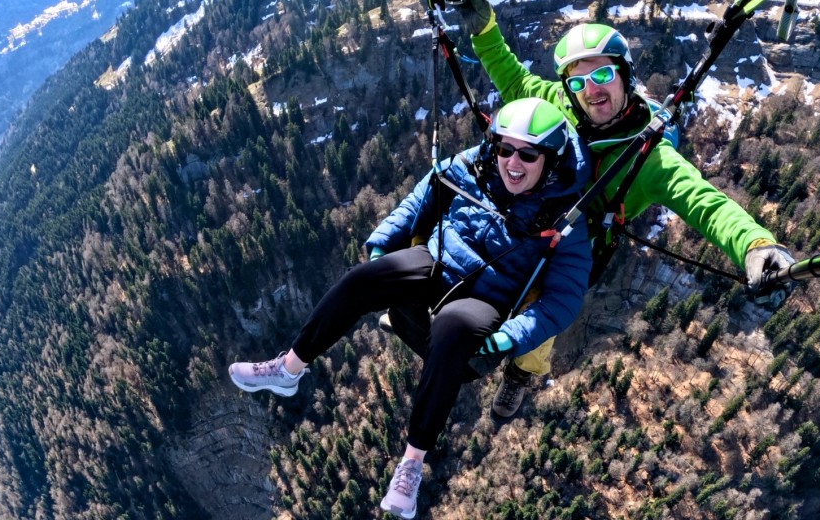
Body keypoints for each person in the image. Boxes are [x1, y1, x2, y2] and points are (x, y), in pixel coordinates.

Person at [228, 98, 594, 519]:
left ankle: (410, 465)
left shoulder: (566, 219)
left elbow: (564, 299)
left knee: (452, 328)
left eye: (528, 154)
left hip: (487, 298)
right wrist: (384, 243)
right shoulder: (473, 167)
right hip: (436, 263)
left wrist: (512, 335)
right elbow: (420, 198)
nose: (513, 162)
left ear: (550, 159)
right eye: (505, 149)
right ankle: (288, 369)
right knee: (362, 279)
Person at [451, 0, 796, 418]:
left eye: (601, 77)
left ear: (625, 75)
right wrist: (485, 31)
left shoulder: (650, 158)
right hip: (533, 213)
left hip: (577, 246)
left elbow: (704, 202)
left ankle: (522, 373)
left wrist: (754, 244)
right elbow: (514, 79)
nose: (590, 91)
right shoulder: (562, 104)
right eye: (577, 82)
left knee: (542, 309)